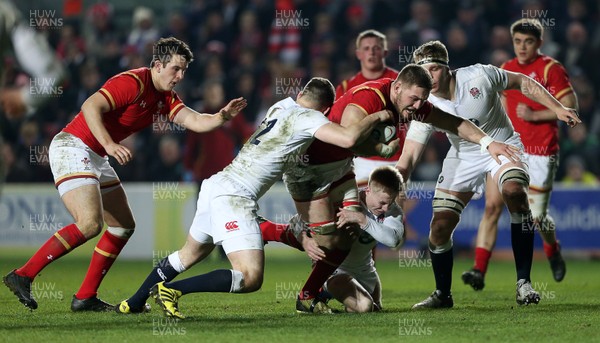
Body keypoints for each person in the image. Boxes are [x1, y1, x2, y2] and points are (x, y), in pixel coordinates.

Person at [2, 37, 248, 311]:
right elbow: (89, 106)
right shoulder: (133, 82)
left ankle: (85, 297)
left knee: (122, 226)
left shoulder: (166, 98)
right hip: (74, 145)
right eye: (175, 69)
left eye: (183, 71)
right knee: (90, 224)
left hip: (95, 154)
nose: (179, 76)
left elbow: (193, 120)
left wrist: (221, 117)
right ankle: (23, 275)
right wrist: (109, 144)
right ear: (157, 65)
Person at [115, 77, 395, 318]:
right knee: (250, 277)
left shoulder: (280, 106)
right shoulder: (311, 118)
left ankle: (135, 302)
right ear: (325, 109)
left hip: (216, 183)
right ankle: (172, 290)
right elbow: (347, 139)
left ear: (300, 95)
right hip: (235, 195)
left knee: (188, 254)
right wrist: (379, 118)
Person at [281, 63, 522, 313]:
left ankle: (324, 286)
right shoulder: (370, 97)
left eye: (423, 100)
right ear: (397, 88)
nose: (418, 105)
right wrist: (381, 141)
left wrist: (488, 143)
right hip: (310, 169)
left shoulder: (410, 106)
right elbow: (348, 137)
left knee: (348, 234)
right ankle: (281, 241)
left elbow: (454, 122)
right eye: (414, 98)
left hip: (340, 167)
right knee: (328, 240)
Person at [398, 40, 580, 309]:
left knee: (513, 191)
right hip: (463, 156)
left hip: (503, 143)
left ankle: (523, 284)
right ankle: (442, 294)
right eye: (425, 72)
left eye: (435, 69)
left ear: (448, 68)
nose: (431, 77)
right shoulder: (424, 104)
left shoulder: (479, 75)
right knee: (439, 228)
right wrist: (397, 183)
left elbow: (521, 82)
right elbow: (410, 154)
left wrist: (556, 108)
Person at [462, 19, 578, 291]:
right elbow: (500, 103)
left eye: (528, 41)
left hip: (541, 151)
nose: (522, 47)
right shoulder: (506, 69)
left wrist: (536, 114)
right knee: (492, 206)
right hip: (509, 147)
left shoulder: (551, 68)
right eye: (517, 41)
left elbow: (570, 106)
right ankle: (479, 269)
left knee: (536, 215)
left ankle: (552, 248)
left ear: (539, 43)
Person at [260, 166, 405, 313]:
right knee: (365, 307)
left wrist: (361, 219)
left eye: (390, 202)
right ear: (368, 190)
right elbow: (298, 220)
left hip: (365, 270)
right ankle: (320, 288)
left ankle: (325, 295)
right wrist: (304, 239)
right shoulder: (345, 201)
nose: (386, 208)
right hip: (337, 271)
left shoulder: (393, 211)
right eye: (382, 203)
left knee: (375, 309)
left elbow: (392, 240)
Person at [335, 29, 399, 187]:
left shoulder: (399, 82)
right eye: (366, 48)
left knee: (392, 211)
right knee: (355, 210)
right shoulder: (345, 87)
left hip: (395, 159)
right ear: (358, 54)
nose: (371, 52)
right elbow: (336, 127)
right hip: (359, 160)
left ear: (384, 52)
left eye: (376, 48)